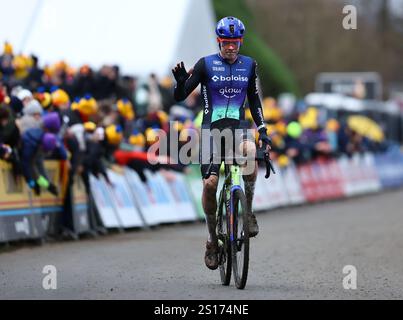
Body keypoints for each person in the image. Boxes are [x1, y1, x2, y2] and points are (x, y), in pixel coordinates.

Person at [172, 16, 271, 270]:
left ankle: (247, 212)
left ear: (240, 42)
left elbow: (254, 100)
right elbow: (181, 96)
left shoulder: (249, 65)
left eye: (235, 43)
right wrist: (181, 83)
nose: (230, 47)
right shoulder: (205, 64)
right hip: (211, 132)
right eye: (226, 43)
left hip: (238, 129)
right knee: (210, 184)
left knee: (250, 152)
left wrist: (263, 130)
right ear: (219, 42)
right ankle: (212, 239)